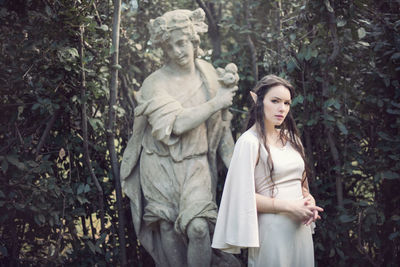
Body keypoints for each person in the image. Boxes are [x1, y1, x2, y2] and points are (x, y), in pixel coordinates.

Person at [120, 8, 239, 267]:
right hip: (160, 166)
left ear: (194, 40)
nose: (177, 51)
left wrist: (239, 168)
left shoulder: (209, 76)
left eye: (182, 43)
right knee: (168, 230)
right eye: (170, 46)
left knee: (198, 227)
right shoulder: (155, 84)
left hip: (196, 165)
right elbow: (176, 124)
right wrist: (216, 102)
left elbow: (221, 131)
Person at [211, 75, 324, 266]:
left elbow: (302, 185)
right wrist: (290, 207)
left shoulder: (292, 139)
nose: (282, 109)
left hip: (300, 230)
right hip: (273, 231)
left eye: (287, 103)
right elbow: (242, 196)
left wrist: (309, 201)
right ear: (258, 100)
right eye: (275, 101)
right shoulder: (249, 142)